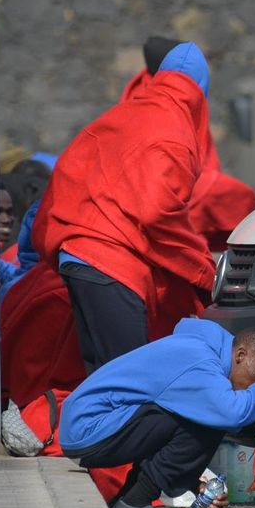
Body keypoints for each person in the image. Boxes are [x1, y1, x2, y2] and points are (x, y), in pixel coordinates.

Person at [33, 40, 223, 374]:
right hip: (112, 265)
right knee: (128, 383)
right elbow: (155, 212)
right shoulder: (174, 130)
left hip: (76, 257)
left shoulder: (122, 114)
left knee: (99, 380)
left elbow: (66, 173)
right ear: (199, 93)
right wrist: (204, 267)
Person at [60, 320, 255, 508]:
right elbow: (232, 413)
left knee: (200, 410)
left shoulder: (202, 351)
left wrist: (192, 482)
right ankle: (134, 503)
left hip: (91, 425)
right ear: (240, 355)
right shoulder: (200, 361)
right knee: (210, 417)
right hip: (89, 429)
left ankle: (128, 501)